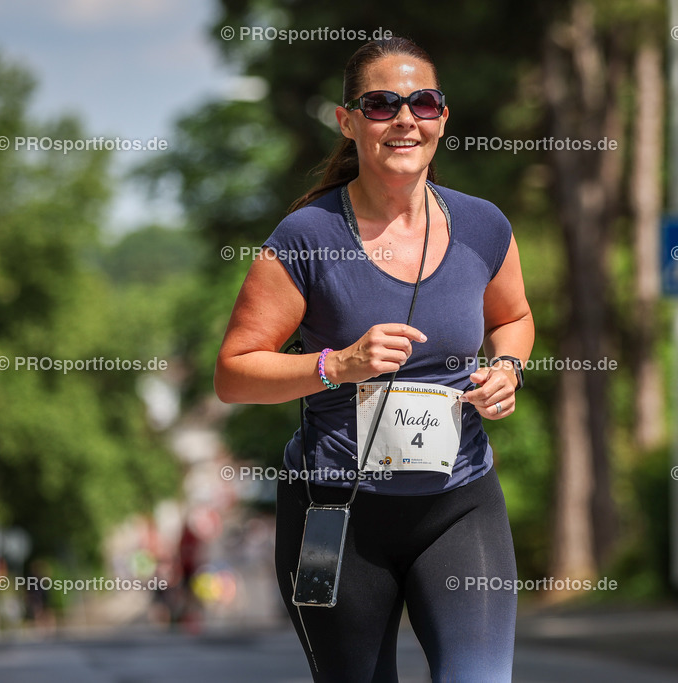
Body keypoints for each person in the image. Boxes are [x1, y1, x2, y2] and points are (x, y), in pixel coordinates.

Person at [215, 36, 533, 681]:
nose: (406, 119)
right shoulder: (306, 236)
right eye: (383, 104)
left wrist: (508, 369)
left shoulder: (483, 226)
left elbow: (514, 318)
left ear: (443, 117)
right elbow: (234, 372)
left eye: (425, 102)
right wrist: (337, 364)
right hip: (335, 513)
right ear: (348, 120)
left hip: (459, 502)